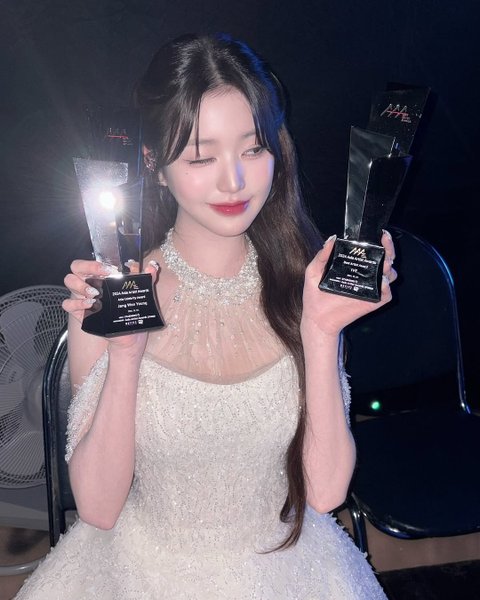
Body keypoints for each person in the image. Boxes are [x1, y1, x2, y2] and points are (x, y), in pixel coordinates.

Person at [16, 33, 395, 599]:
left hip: (287, 567)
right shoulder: (109, 294)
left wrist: (321, 331)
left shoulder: (304, 286)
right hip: (142, 573)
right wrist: (126, 355)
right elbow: (97, 507)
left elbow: (324, 494)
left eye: (253, 149)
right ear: (154, 164)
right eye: (201, 157)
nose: (233, 181)